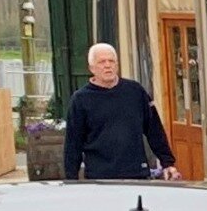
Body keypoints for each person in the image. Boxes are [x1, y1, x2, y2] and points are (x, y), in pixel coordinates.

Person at [61, 42, 174, 182]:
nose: (108, 65)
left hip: (136, 173)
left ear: (117, 65)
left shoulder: (135, 92)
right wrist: (71, 180)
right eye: (102, 62)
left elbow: (154, 130)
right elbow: (73, 143)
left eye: (111, 61)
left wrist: (167, 163)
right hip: (100, 177)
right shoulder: (80, 99)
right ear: (91, 68)